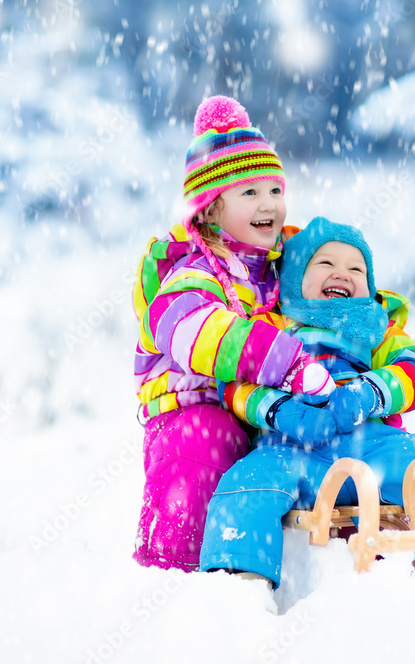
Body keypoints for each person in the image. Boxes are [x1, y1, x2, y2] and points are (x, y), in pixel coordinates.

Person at [198, 217, 415, 591]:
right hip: (293, 449)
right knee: (246, 482)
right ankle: (239, 582)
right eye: (325, 264)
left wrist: (370, 392)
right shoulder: (273, 326)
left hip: (372, 446)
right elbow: (236, 385)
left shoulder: (379, 330)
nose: (342, 273)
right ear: (294, 279)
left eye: (356, 268)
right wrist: (280, 411)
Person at [131, 97, 334, 572]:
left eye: (274, 189)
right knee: (206, 442)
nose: (269, 204)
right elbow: (193, 327)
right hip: (192, 413)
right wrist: (283, 359)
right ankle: (174, 568)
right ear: (209, 210)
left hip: (260, 411)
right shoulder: (189, 271)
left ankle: (323, 562)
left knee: (321, 439)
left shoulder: (286, 271)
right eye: (249, 193)